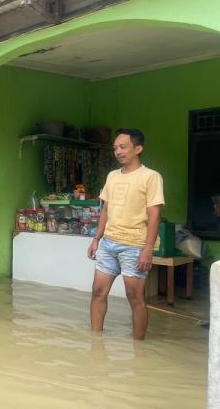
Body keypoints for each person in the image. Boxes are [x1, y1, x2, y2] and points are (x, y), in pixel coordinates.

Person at [87, 128, 164, 340]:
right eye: (115, 148)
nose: (117, 152)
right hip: (109, 244)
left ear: (138, 148)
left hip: (135, 246)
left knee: (135, 297)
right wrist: (96, 239)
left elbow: (154, 214)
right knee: (97, 292)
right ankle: (95, 342)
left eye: (123, 147)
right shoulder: (112, 176)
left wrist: (148, 249)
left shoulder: (151, 177)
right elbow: (105, 210)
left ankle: (138, 348)